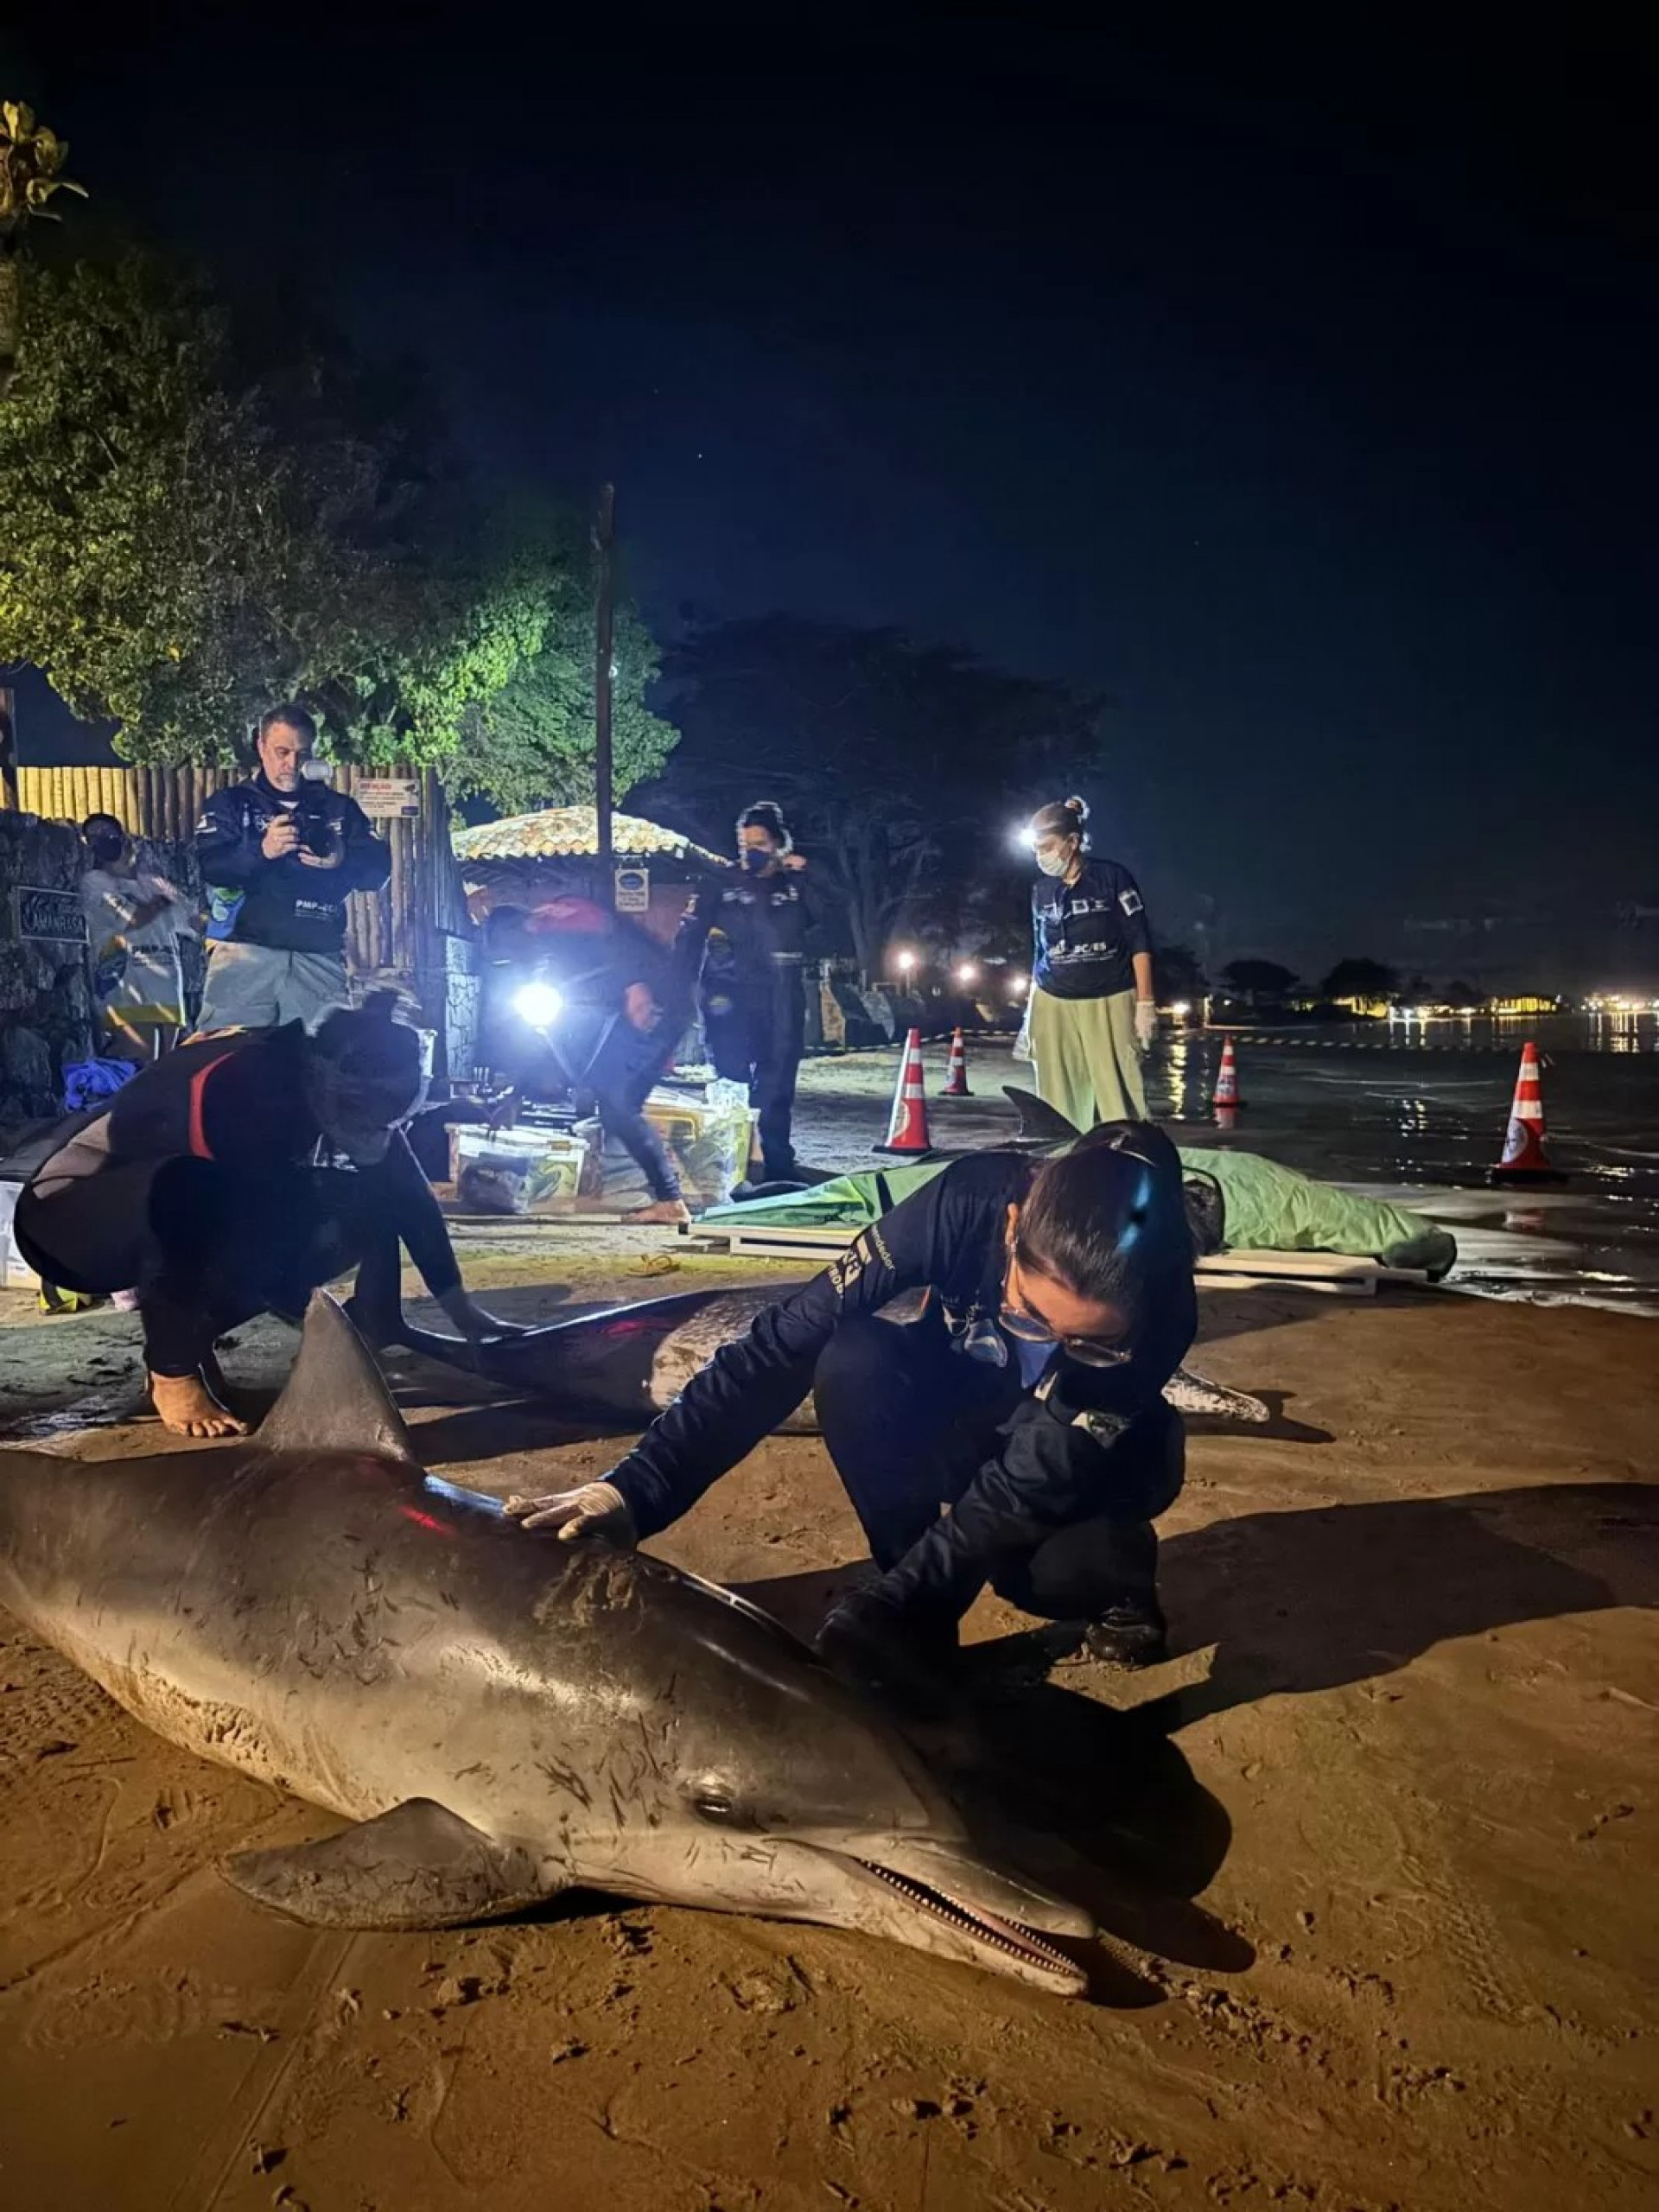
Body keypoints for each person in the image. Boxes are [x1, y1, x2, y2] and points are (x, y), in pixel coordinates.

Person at [506, 1122, 1198, 1683]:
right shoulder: (965, 1205)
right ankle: (909, 1591)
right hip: (976, 1405)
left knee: (1049, 1578)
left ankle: (1119, 1588)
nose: (1049, 1344)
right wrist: (635, 1491)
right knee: (853, 1360)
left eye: (1086, 1343)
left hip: (1078, 1459)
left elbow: (1037, 1476)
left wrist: (911, 1605)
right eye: (1028, 1314)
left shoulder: (1163, 1312)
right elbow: (780, 1346)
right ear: (1013, 1226)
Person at [12, 993, 519, 1438]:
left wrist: (458, 1308)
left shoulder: (329, 1074)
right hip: (68, 1221)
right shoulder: (246, 1083)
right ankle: (171, 1372)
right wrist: (320, 1325)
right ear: (324, 1072)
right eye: (359, 1108)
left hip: (166, 1210)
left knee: (361, 1200)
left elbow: (404, 1191)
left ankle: (378, 1322)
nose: (367, 1124)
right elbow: (200, 1221)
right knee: (206, 1195)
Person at [482, 894, 695, 1225]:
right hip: (619, 1016)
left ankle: (671, 1201)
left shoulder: (561, 925)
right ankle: (668, 1199)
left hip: (656, 1007)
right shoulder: (536, 961)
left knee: (618, 1103)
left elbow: (622, 944)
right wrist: (514, 1096)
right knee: (615, 1109)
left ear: (518, 931)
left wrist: (635, 985)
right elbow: (542, 1040)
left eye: (509, 949)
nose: (511, 957)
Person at [193, 702, 391, 1033]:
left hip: (319, 953)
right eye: (281, 751)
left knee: (317, 1064)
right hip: (245, 952)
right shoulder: (230, 803)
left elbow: (378, 873)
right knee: (226, 1058)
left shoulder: (339, 808)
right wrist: (262, 850)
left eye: (302, 753)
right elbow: (209, 867)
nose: (291, 764)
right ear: (261, 746)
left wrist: (342, 859)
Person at [679, 802, 823, 1185]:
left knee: (776, 1084)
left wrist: (807, 876)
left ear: (779, 845)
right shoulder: (720, 883)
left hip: (780, 996)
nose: (751, 852)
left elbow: (826, 919)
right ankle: (727, 1161)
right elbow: (690, 937)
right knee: (730, 1075)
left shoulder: (794, 887)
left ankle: (776, 1165)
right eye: (744, 845)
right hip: (728, 996)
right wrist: (677, 987)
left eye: (760, 843)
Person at [1015, 795, 1158, 1128]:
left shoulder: (1113, 878)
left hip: (1109, 997)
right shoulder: (1041, 890)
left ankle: (1126, 1158)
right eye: (1036, 849)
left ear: (1073, 842)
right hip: (1053, 1000)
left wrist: (1145, 1001)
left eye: (1047, 847)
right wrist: (1030, 1011)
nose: (1041, 856)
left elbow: (1139, 939)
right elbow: (1040, 950)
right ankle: (1062, 1160)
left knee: (1117, 1092)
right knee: (1056, 1095)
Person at [79, 814, 196, 1061]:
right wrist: (160, 904)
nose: (104, 840)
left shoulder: (154, 884)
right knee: (141, 1073)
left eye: (109, 833)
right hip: (127, 987)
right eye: (94, 837)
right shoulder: (96, 882)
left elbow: (195, 922)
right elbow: (132, 918)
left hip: (167, 989)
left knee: (163, 1076)